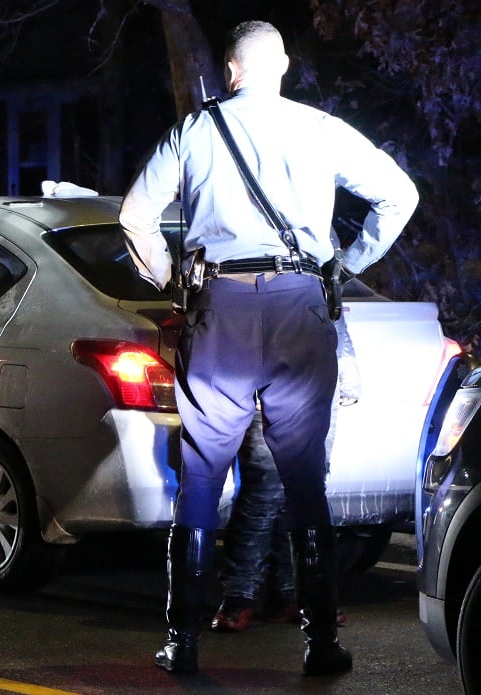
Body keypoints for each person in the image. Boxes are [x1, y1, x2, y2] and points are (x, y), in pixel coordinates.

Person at [119, 20, 417, 676]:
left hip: (219, 311)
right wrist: (345, 263)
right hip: (299, 310)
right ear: (282, 67)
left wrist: (171, 280)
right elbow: (400, 194)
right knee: (305, 481)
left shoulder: (195, 130)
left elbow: (134, 216)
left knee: (202, 475)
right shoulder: (320, 128)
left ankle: (183, 641)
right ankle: (321, 643)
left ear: (229, 71)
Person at [213, 318, 360, 632]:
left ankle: (289, 594)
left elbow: (333, 307)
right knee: (264, 490)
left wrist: (347, 373)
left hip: (318, 376)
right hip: (268, 373)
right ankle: (241, 595)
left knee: (304, 490)